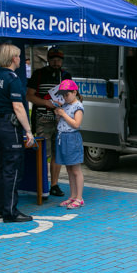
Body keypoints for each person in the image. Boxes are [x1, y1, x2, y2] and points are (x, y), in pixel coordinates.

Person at [0, 43, 35, 223]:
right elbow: (18, 106)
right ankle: (10, 212)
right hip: (10, 128)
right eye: (19, 56)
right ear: (14, 58)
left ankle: (1, 209)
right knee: (12, 170)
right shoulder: (13, 79)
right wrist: (28, 131)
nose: (21, 59)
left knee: (1, 169)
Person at [26, 46, 73, 198]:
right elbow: (29, 96)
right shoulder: (38, 75)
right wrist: (45, 103)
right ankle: (41, 183)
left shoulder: (66, 75)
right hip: (43, 119)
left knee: (57, 153)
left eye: (58, 59)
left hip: (60, 120)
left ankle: (54, 184)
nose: (56, 62)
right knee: (43, 152)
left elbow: (73, 96)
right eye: (53, 59)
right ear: (48, 59)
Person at [53, 79, 86, 209]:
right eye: (63, 95)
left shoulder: (78, 106)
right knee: (69, 169)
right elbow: (61, 123)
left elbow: (76, 124)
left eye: (67, 94)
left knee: (76, 169)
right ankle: (72, 196)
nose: (65, 97)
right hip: (63, 137)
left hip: (72, 138)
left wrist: (63, 114)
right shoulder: (65, 105)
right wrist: (58, 115)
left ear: (74, 92)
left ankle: (79, 197)